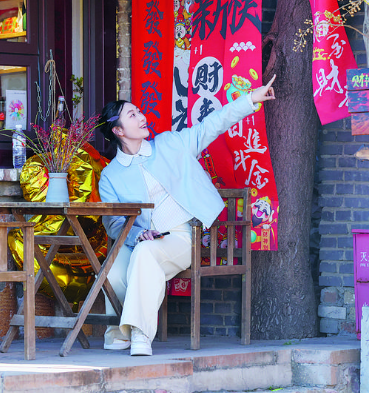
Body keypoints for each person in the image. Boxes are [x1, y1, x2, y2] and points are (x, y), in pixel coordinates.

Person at [97, 75, 277, 356]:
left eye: (139, 111)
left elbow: (211, 125)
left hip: (181, 237)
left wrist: (250, 100)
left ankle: (141, 334)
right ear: (118, 131)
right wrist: (138, 234)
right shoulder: (110, 175)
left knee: (145, 254)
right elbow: (114, 222)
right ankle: (118, 331)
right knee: (113, 268)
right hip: (138, 240)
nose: (141, 117)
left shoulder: (171, 144)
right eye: (132, 115)